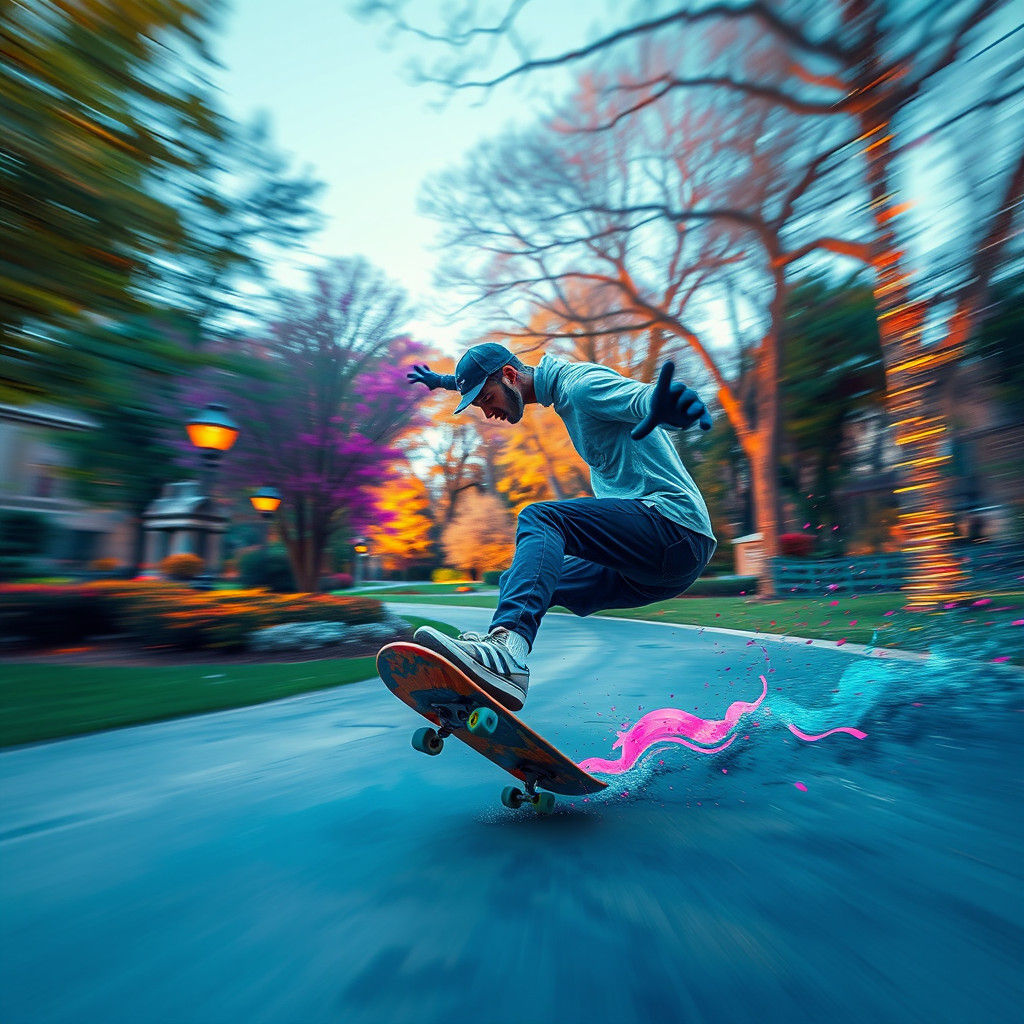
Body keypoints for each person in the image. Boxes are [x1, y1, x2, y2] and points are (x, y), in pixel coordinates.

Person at [407, 342, 717, 712]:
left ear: (510, 375)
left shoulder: (581, 387)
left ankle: (508, 651)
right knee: (519, 580)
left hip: (673, 528)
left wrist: (666, 406)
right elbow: (481, 379)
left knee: (541, 518)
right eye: (480, 406)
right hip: (649, 569)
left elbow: (640, 399)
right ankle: (486, 679)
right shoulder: (540, 387)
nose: (489, 412)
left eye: (487, 399)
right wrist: (442, 380)